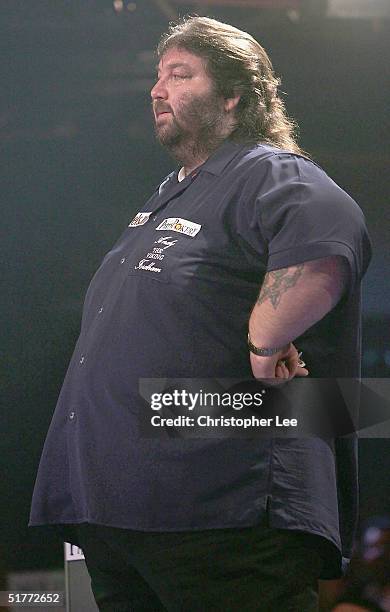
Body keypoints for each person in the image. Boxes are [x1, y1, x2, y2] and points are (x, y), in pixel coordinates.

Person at [29, 16, 372, 612]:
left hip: (220, 507)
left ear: (234, 94)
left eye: (179, 75)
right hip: (121, 512)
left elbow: (327, 236)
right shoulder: (173, 192)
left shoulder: (271, 170)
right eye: (158, 76)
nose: (157, 90)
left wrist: (267, 344)